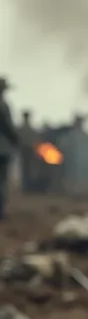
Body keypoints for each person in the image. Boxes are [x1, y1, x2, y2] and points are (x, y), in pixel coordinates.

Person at [0, 77, 19, 219]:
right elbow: (8, 128)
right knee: (1, 181)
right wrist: (16, 139)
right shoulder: (3, 105)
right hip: (2, 150)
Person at [18, 109, 39, 193]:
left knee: (27, 169)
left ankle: (26, 187)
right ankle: (26, 188)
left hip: (28, 150)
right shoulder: (25, 129)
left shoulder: (22, 129)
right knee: (26, 169)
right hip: (25, 150)